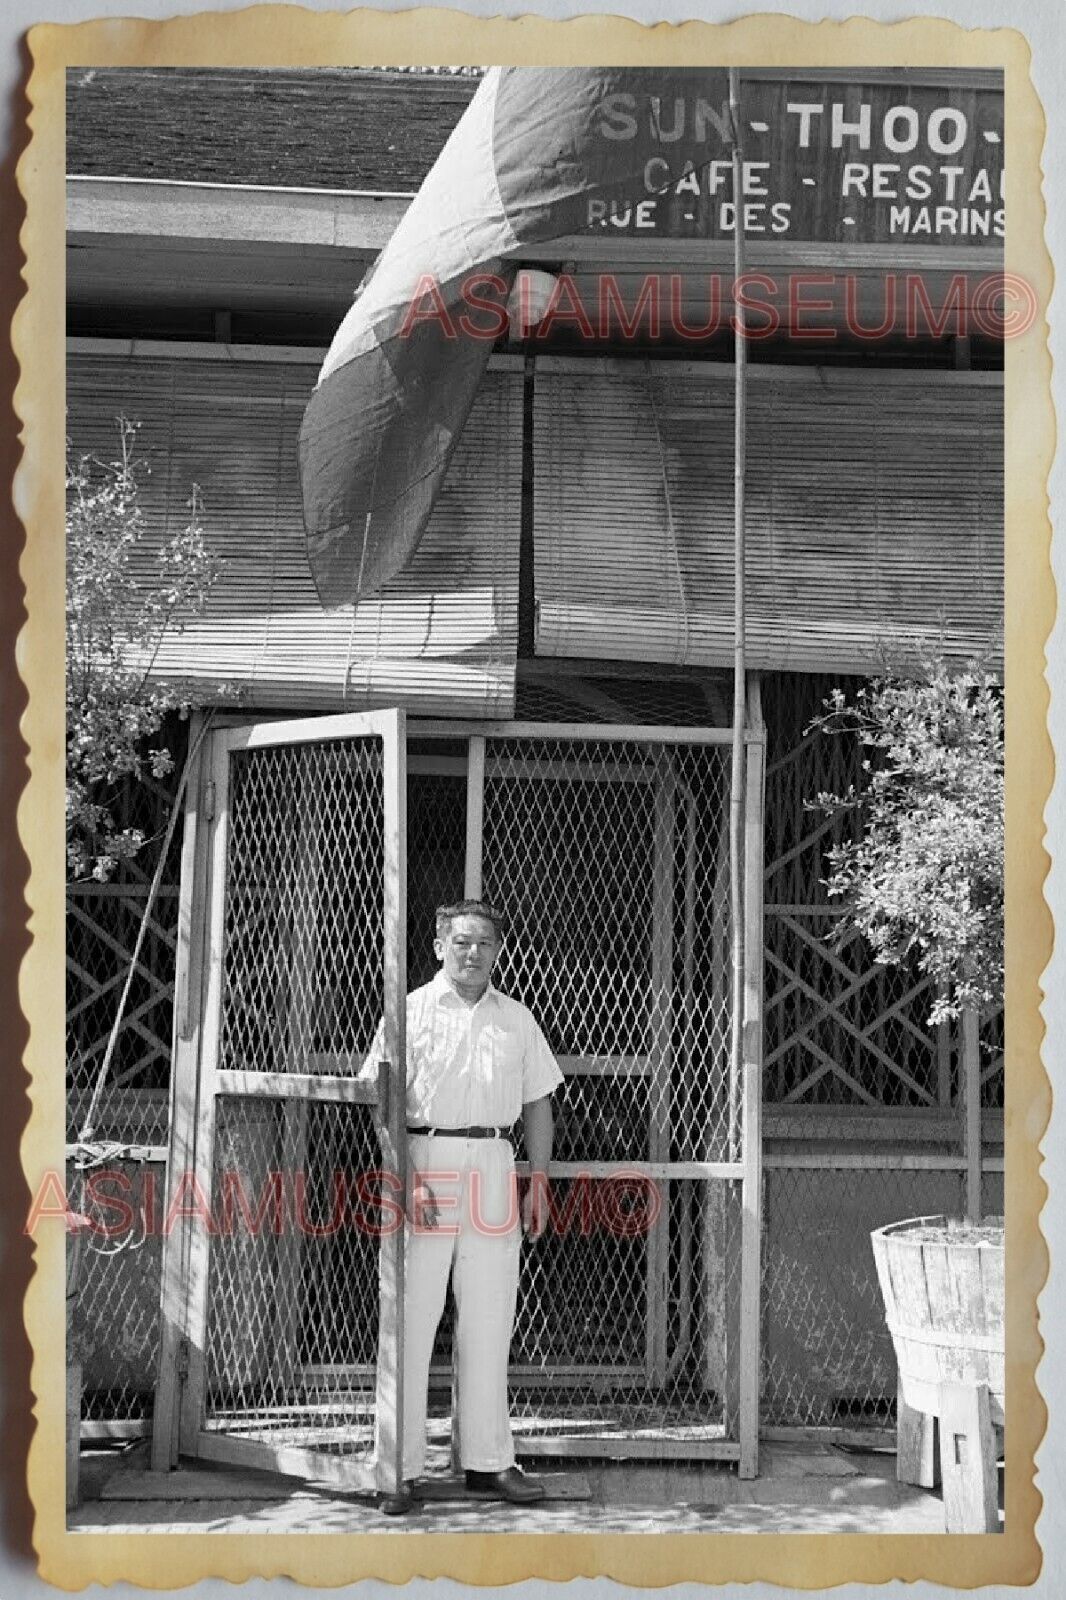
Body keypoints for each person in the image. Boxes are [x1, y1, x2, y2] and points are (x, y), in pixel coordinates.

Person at [363, 898, 563, 1508]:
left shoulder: (516, 1019)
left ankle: (489, 1463)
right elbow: (379, 1101)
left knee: (488, 1320)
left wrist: (538, 1180)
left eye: (484, 943)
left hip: (494, 1165)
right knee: (410, 1320)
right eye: (461, 942)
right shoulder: (410, 1013)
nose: (472, 953)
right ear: (438, 946)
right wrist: (403, 1175)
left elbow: (537, 1102)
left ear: (498, 951)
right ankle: (397, 1468)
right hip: (422, 1163)